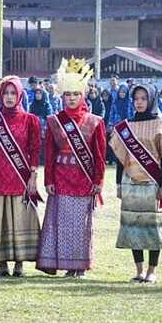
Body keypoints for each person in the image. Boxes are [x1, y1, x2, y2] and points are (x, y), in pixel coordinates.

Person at [37, 59, 106, 278]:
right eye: (68, 94)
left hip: (84, 179)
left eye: (76, 94)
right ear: (62, 96)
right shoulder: (54, 121)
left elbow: (99, 155)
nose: (72, 98)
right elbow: (49, 154)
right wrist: (48, 180)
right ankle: (63, 263)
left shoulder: (95, 122)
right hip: (61, 177)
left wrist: (99, 181)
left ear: (83, 95)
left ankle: (80, 265)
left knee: (81, 225)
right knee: (63, 224)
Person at [110, 85, 162, 284]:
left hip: (153, 182)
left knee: (153, 227)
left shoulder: (161, 125)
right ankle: (139, 270)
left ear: (151, 100)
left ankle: (152, 271)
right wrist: (118, 184)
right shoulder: (125, 127)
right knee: (133, 225)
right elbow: (120, 158)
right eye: (136, 98)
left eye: (143, 98)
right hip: (130, 182)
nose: (139, 102)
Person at [0, 75, 41, 278]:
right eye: (5, 93)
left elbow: (35, 150)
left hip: (21, 177)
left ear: (20, 95)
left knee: (20, 219)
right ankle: (2, 263)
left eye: (13, 93)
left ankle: (20, 263)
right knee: (2, 219)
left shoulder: (31, 120)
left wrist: (33, 176)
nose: (9, 97)